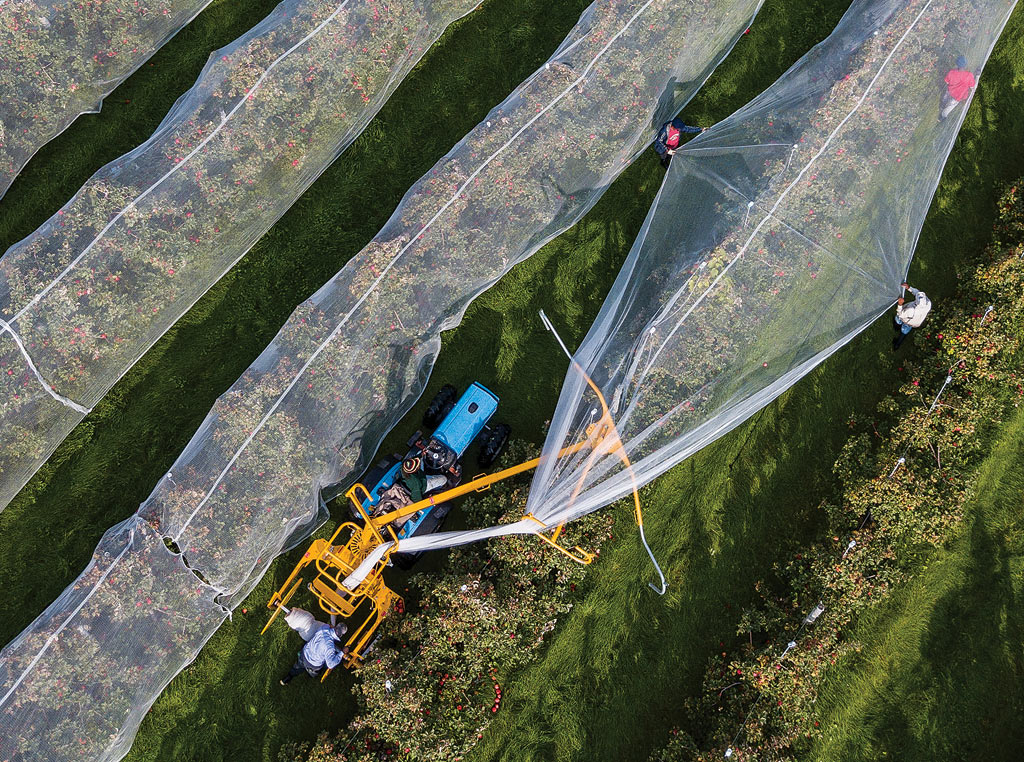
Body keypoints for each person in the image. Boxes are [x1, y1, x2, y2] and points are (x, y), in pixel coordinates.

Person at [280, 621, 349, 685]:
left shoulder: (324, 628)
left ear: (335, 627)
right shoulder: (330, 647)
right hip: (313, 665)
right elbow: (331, 664)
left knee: (297, 667)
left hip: (304, 654)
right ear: (340, 636)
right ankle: (311, 675)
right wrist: (342, 652)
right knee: (324, 666)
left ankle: (287, 678)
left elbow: (329, 626)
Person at [892, 282, 931, 350]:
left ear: (917, 304)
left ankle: (897, 329)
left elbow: (900, 314)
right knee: (905, 331)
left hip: (909, 321)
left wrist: (900, 304)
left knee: (899, 319)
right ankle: (897, 344)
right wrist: (909, 288)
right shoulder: (928, 303)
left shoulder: (911, 310)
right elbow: (918, 293)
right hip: (916, 322)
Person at [939, 56, 976, 122]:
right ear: (965, 65)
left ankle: (942, 108)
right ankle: (942, 117)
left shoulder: (951, 72)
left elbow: (947, 81)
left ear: (957, 64)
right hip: (959, 96)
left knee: (945, 99)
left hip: (950, 92)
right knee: (950, 107)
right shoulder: (969, 75)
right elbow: (972, 87)